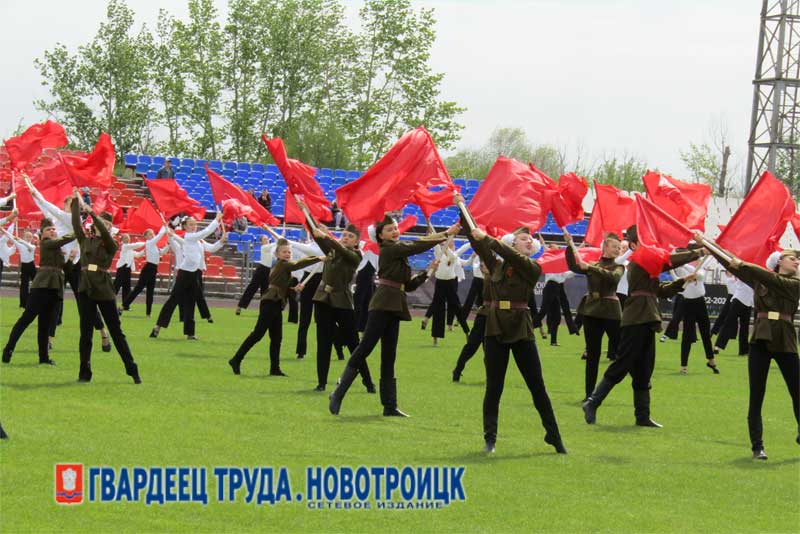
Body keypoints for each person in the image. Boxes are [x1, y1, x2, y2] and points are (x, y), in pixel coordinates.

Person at [459, 202, 566, 454]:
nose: (528, 242)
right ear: (512, 242)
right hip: (495, 326)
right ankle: (490, 438)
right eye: (522, 239)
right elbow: (478, 243)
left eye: (530, 240)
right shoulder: (495, 266)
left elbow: (509, 255)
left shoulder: (532, 267)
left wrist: (492, 241)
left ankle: (554, 436)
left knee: (536, 385)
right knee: (494, 386)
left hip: (521, 328)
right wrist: (463, 212)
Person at [329, 214, 457, 417]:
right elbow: (415, 245)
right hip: (382, 304)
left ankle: (390, 405)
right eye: (389, 229)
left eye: (395, 228)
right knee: (365, 348)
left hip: (395, 305)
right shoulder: (389, 249)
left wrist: (427, 272)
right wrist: (446, 234)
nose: (394, 231)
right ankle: (338, 392)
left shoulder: (398, 254)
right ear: (380, 236)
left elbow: (408, 286)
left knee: (389, 356)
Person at [582, 225, 701, 428]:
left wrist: (682, 281)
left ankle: (642, 415)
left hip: (645, 318)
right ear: (635, 245)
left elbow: (658, 291)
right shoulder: (639, 261)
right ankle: (593, 402)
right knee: (623, 363)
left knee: (644, 367)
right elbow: (669, 262)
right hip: (636, 318)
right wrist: (699, 252)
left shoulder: (646, 263)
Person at [700, 238, 799, 460]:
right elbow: (730, 263)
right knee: (757, 396)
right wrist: (712, 247)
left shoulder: (793, 283)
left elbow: (768, 277)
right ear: (779, 261)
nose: (796, 262)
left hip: (786, 340)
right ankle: (757, 446)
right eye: (792, 258)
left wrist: (742, 264)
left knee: (798, 392)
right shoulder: (761, 280)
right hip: (761, 340)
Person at [299, 200, 376, 392]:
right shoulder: (333, 249)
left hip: (342, 301)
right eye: (344, 235)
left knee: (353, 343)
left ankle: (368, 381)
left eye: (350, 236)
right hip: (322, 299)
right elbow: (319, 239)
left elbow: (338, 248)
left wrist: (325, 236)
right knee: (323, 341)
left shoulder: (356, 255)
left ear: (357, 241)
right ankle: (321, 382)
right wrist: (306, 211)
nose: (346, 238)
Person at [27, 177, 110, 351]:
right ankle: (49, 337)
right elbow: (43, 205)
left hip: (75, 265)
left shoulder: (74, 220)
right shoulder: (56, 219)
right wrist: (31, 187)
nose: (70, 209)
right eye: (69, 205)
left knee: (84, 300)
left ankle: (102, 331)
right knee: (54, 303)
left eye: (74, 206)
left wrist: (37, 192)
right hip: (59, 266)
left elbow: (48, 206)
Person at [70, 191, 141, 384]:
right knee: (85, 333)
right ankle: (84, 373)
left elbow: (103, 232)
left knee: (116, 331)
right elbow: (76, 223)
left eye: (108, 224)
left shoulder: (111, 243)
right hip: (86, 288)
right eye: (103, 223)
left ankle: (132, 369)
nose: (105, 226)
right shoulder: (86, 239)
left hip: (103, 288)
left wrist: (93, 213)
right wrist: (77, 202)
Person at [228, 239, 323, 376]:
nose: (287, 254)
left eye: (289, 252)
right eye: (284, 252)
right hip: (270, 303)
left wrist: (294, 288)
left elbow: (283, 288)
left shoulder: (283, 267)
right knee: (258, 334)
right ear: (277, 254)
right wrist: (319, 258)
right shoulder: (283, 265)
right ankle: (236, 359)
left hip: (277, 303)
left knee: (277, 338)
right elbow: (297, 264)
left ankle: (275, 368)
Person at [3, 218, 74, 365]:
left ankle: (44, 357)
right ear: (42, 234)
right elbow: (60, 241)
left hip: (55, 287)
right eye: (49, 229)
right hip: (42, 286)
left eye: (54, 229)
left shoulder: (57, 248)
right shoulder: (46, 243)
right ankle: (9, 348)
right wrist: (78, 232)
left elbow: (65, 270)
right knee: (26, 318)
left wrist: (71, 260)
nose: (52, 231)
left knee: (45, 324)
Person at [564, 229, 624, 400]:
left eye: (619, 247)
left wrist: (590, 267)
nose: (618, 250)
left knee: (622, 350)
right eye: (615, 246)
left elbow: (613, 278)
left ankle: (641, 382)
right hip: (592, 312)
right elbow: (573, 266)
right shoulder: (593, 265)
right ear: (605, 247)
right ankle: (589, 394)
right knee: (592, 354)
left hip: (611, 313)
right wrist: (569, 245)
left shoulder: (618, 266)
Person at [150, 212, 222, 340]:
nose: (194, 226)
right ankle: (157, 327)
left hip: (194, 274)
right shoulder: (189, 237)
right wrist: (216, 219)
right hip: (184, 274)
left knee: (191, 303)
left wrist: (221, 242)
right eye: (190, 224)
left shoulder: (197, 240)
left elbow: (211, 248)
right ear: (185, 227)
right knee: (173, 300)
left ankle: (190, 333)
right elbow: (205, 231)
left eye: (195, 224)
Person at [671, 260, 720, 374]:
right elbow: (676, 280)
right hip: (687, 304)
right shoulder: (680, 271)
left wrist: (686, 266)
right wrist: (677, 269)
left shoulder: (698, 269)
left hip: (700, 303)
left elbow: (700, 276)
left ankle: (711, 360)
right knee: (687, 335)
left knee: (705, 334)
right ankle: (684, 365)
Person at [451, 260, 491, 382]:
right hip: (484, 317)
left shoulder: (495, 279)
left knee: (489, 349)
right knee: (472, 346)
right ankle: (458, 369)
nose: (483, 266)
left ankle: (491, 376)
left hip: (493, 317)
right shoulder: (485, 280)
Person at [429, 237, 470, 345]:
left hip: (451, 283)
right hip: (440, 283)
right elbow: (435, 244)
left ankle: (467, 332)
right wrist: (433, 235)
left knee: (457, 307)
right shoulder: (439, 254)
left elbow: (463, 248)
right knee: (438, 309)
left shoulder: (454, 255)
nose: (451, 246)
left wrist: (446, 246)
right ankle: (435, 337)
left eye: (451, 244)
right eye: (449, 244)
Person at [121, 226, 168, 316]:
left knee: (150, 291)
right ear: (146, 237)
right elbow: (159, 236)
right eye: (150, 234)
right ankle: (124, 306)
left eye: (152, 234)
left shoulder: (154, 246)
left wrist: (168, 244)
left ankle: (148, 313)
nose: (152, 235)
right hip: (148, 268)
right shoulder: (149, 243)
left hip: (154, 269)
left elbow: (162, 252)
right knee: (138, 289)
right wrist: (164, 227)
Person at [236, 233, 276, 315]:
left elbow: (275, 251)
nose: (267, 240)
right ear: (261, 242)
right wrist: (279, 239)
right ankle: (240, 306)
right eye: (264, 239)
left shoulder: (270, 249)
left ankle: (263, 311)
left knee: (265, 291)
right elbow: (274, 244)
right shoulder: (264, 247)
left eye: (267, 239)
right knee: (252, 288)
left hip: (268, 271)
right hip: (261, 270)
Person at [715, 273, 753, 356]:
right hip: (738, 300)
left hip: (748, 303)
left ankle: (744, 351)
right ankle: (718, 346)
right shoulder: (742, 275)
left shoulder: (755, 278)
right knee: (728, 322)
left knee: (744, 327)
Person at [9, 229, 38, 308]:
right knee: (24, 286)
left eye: (30, 237)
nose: (28, 238)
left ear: (32, 238)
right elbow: (11, 237)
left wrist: (21, 240)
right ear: (24, 237)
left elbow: (29, 247)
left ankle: (37, 301)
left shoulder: (33, 246)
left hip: (31, 266)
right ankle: (23, 304)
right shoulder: (20, 245)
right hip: (24, 266)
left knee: (36, 284)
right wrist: (3, 230)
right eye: (27, 237)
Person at [113, 234, 145, 305]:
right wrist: (146, 243)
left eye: (128, 238)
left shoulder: (130, 250)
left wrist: (144, 250)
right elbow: (135, 245)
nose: (127, 239)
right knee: (117, 285)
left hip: (128, 269)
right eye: (125, 238)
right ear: (122, 240)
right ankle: (110, 300)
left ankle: (125, 305)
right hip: (122, 268)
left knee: (127, 287)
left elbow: (138, 255)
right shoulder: (124, 246)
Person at [353, 243, 378, 332]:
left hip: (368, 273)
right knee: (361, 299)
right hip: (364, 271)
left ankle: (362, 325)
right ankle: (357, 324)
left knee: (366, 299)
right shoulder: (365, 243)